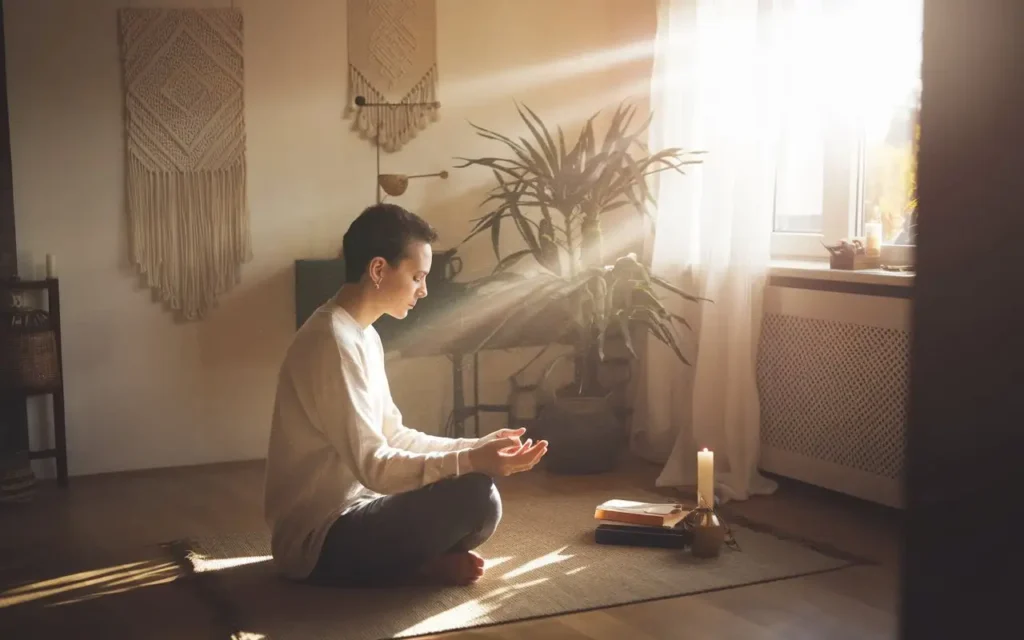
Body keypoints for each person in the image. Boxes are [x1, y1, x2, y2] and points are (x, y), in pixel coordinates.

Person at [264, 203, 548, 588]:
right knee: (474, 496)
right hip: (319, 539)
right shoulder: (330, 341)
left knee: (481, 495)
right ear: (379, 269)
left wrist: (479, 447)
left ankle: (416, 562)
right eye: (417, 276)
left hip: (365, 510)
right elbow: (375, 467)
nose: (424, 290)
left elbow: (395, 436)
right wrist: (469, 461)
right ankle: (417, 565)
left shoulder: (363, 334)